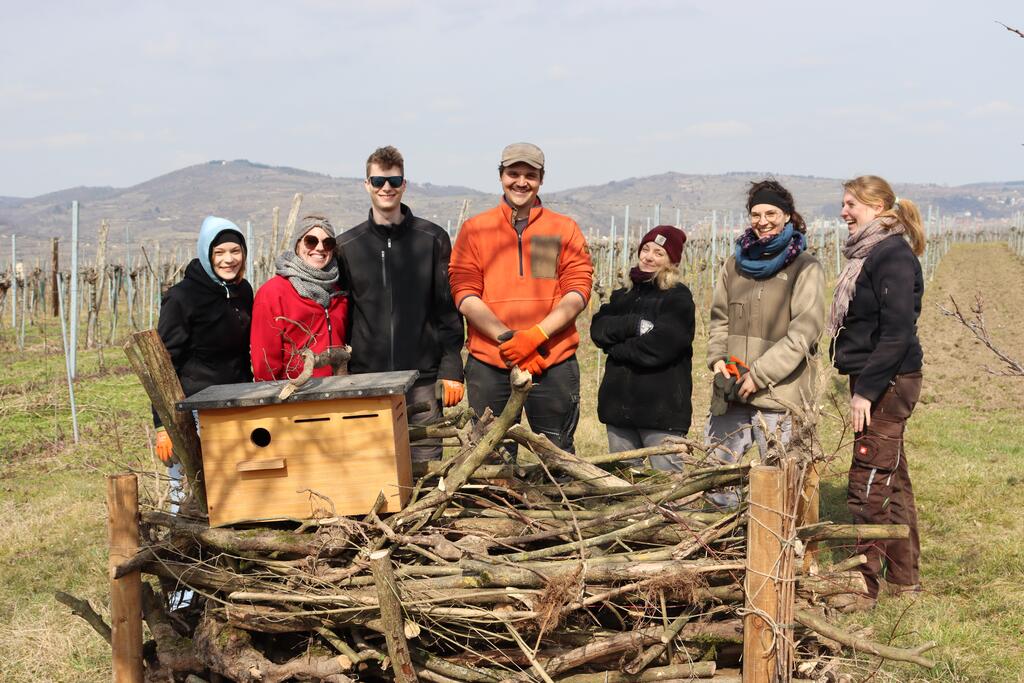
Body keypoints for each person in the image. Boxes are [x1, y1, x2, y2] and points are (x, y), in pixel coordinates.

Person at [449, 142, 593, 452]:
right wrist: (510, 338)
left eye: (530, 174)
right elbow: (464, 291)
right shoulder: (476, 230)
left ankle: (557, 500)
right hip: (490, 361)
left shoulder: (563, 228)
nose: (521, 181)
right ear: (501, 176)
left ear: (542, 178)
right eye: (513, 173)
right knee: (491, 455)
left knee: (556, 451)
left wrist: (537, 335)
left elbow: (577, 290)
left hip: (552, 359)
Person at [829, 174, 926, 601]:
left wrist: (865, 390)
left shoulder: (892, 256)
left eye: (852, 204)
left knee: (868, 478)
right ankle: (904, 580)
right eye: (844, 203)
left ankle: (863, 583)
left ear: (879, 207)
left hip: (886, 381)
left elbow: (897, 331)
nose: (844, 211)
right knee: (893, 480)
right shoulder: (874, 253)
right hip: (879, 376)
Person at [337, 146, 465, 461]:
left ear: (404, 185)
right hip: (368, 380)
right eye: (378, 180)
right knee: (372, 462)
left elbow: (446, 309)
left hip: (421, 377)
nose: (386, 188)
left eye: (394, 181)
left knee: (424, 460)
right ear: (366, 184)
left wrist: (451, 368)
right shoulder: (347, 246)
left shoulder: (432, 239)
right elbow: (342, 315)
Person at [705, 180, 825, 501]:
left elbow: (804, 332)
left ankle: (777, 549)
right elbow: (720, 318)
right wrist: (717, 356)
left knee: (782, 486)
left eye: (771, 213)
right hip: (731, 392)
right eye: (756, 214)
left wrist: (759, 375)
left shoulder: (805, 268)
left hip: (779, 396)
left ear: (787, 215)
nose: (763, 221)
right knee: (716, 479)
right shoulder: (734, 265)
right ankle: (724, 546)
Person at [154, 215, 254, 483]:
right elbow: (164, 363)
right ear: (206, 254)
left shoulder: (243, 291)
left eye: (235, 251)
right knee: (192, 488)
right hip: (196, 410)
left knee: (231, 486)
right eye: (219, 252)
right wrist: (162, 425)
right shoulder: (182, 297)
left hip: (236, 405)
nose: (228, 259)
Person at [590, 225, 695, 470]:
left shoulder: (677, 299)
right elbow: (598, 329)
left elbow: (660, 347)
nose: (648, 256)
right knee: (625, 487)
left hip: (661, 412)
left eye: (659, 253)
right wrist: (634, 324)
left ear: (672, 260)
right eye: (645, 249)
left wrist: (616, 350)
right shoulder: (622, 296)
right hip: (618, 410)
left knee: (668, 488)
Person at [250, 215, 349, 381]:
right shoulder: (273, 293)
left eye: (327, 243)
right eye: (311, 241)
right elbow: (264, 363)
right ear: (297, 245)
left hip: (336, 393)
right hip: (295, 395)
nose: (320, 248)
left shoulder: (339, 295)